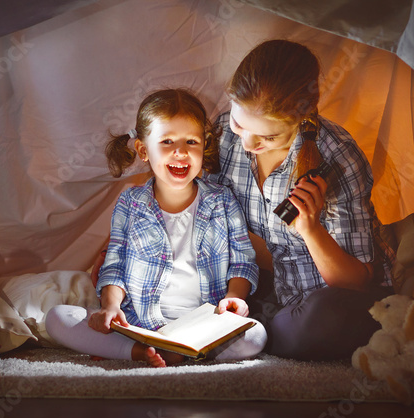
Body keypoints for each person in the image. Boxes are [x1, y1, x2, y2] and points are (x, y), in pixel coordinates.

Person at [45, 88, 268, 367]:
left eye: (191, 141)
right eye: (166, 141)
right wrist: (111, 307)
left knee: (256, 336)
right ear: (143, 150)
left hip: (205, 325)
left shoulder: (222, 201)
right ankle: (140, 351)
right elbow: (115, 263)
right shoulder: (130, 202)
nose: (181, 152)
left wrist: (235, 299)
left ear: (204, 146)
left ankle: (178, 351)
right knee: (57, 319)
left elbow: (243, 262)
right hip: (141, 324)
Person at [204, 39, 396, 361]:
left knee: (324, 319)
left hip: (329, 298)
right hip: (266, 291)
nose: (248, 143)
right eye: (240, 124)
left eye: (268, 137)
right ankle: (258, 333)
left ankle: (261, 337)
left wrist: (311, 229)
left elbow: (356, 283)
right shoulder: (223, 134)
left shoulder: (337, 155)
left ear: (300, 117)